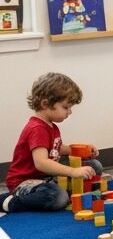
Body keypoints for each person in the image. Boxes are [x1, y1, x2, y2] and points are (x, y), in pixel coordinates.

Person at [3, 72, 102, 213]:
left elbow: (58, 149)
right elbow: (41, 163)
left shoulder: (51, 125)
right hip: (26, 182)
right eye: (66, 107)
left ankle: (62, 187)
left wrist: (82, 150)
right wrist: (73, 171)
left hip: (47, 177)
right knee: (57, 197)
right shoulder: (37, 129)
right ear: (46, 103)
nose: (70, 112)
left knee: (94, 166)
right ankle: (11, 201)